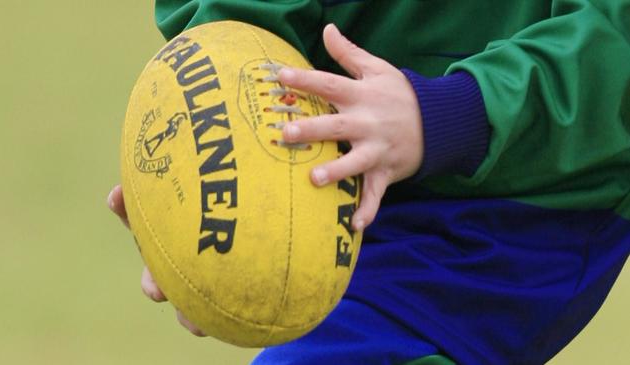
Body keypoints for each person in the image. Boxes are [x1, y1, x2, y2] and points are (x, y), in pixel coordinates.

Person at [108, 1, 630, 364]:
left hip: (527, 199)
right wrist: (219, 157)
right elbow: (237, 20)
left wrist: (448, 114)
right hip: (332, 174)